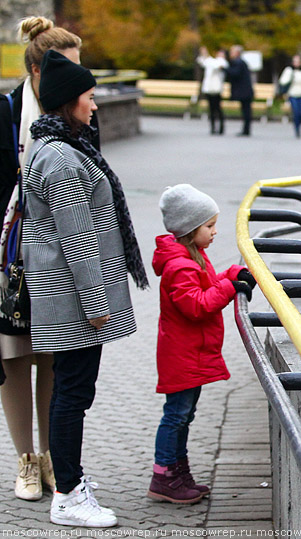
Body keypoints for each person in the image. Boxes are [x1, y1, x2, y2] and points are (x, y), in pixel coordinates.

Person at [24, 50, 149, 527]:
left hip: (67, 296)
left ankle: (71, 482)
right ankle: (70, 495)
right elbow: (76, 237)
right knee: (73, 393)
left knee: (72, 391)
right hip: (72, 298)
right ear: (67, 101)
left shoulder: (58, 146)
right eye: (90, 98)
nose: (95, 106)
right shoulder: (60, 158)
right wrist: (97, 305)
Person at [0, 15, 86, 503]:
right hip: (10, 261)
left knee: (55, 356)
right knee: (14, 359)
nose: (78, 82)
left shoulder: (77, 118)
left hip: (56, 260)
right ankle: (26, 460)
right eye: (66, 69)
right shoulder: (5, 113)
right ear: (36, 69)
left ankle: (54, 456)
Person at [148, 184, 254, 504]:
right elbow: (196, 305)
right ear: (190, 229)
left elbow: (209, 285)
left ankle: (178, 471)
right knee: (177, 415)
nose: (215, 232)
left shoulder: (195, 258)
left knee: (185, 414)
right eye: (209, 226)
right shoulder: (179, 267)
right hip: (182, 357)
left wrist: (234, 273)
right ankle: (164, 475)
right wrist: (230, 287)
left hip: (189, 355)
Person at [196, 47, 228, 135]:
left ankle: (221, 127)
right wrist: (204, 55)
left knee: (218, 109)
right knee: (211, 109)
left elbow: (214, 64)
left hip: (216, 89)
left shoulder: (222, 62)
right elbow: (203, 62)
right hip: (209, 89)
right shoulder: (212, 61)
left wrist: (207, 56)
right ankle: (213, 127)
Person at [278, 55, 301, 139]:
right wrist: (290, 76)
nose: (296, 63)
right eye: (294, 61)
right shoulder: (289, 70)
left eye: (298, 61)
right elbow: (282, 81)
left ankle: (298, 125)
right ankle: (296, 129)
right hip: (292, 95)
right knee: (296, 112)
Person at [226, 45, 254, 137]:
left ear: (237, 53)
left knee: (246, 111)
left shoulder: (238, 63)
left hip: (244, 91)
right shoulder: (241, 62)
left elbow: (235, 74)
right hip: (246, 91)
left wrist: (225, 69)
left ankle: (246, 130)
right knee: (246, 110)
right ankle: (246, 129)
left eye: (232, 52)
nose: (231, 54)